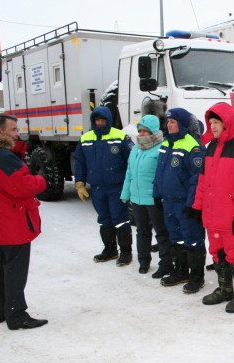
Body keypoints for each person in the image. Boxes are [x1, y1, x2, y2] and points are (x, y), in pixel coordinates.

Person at [0, 113, 48, 330]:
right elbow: (22, 186)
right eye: (13, 129)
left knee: (0, 266)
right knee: (15, 269)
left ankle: (1, 311)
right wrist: (40, 179)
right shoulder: (1, 156)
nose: (17, 133)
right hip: (11, 222)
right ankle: (16, 315)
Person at [189, 103, 234, 313]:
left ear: (226, 121)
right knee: (217, 253)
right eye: (211, 123)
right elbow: (203, 181)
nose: (213, 126)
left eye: (216, 122)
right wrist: (197, 207)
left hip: (230, 216)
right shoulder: (211, 147)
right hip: (213, 214)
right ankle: (225, 289)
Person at [153, 108, 207, 294]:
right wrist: (157, 192)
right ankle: (181, 271)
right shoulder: (166, 143)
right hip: (169, 201)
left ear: (182, 124)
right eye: (167, 122)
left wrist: (192, 203)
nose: (168, 125)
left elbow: (197, 178)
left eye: (173, 122)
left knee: (192, 240)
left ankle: (196, 277)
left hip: (185, 203)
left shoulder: (193, 145)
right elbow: (160, 171)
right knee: (176, 238)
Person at [74, 106, 134, 266]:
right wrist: (79, 183)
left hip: (117, 187)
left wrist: (131, 184)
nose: (100, 123)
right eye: (97, 120)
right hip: (97, 188)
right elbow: (79, 161)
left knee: (120, 220)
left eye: (103, 120)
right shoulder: (86, 138)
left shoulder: (121, 137)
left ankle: (126, 252)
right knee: (104, 219)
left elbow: (132, 160)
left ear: (108, 120)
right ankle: (110, 249)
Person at [120, 115, 173, 277]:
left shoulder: (162, 148)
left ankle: (166, 264)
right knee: (142, 231)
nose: (142, 134)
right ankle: (144, 261)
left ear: (154, 131)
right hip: (137, 198)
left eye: (145, 131)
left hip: (153, 199)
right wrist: (125, 193)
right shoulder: (136, 148)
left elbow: (164, 175)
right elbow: (129, 172)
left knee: (161, 232)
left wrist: (161, 195)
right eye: (140, 131)